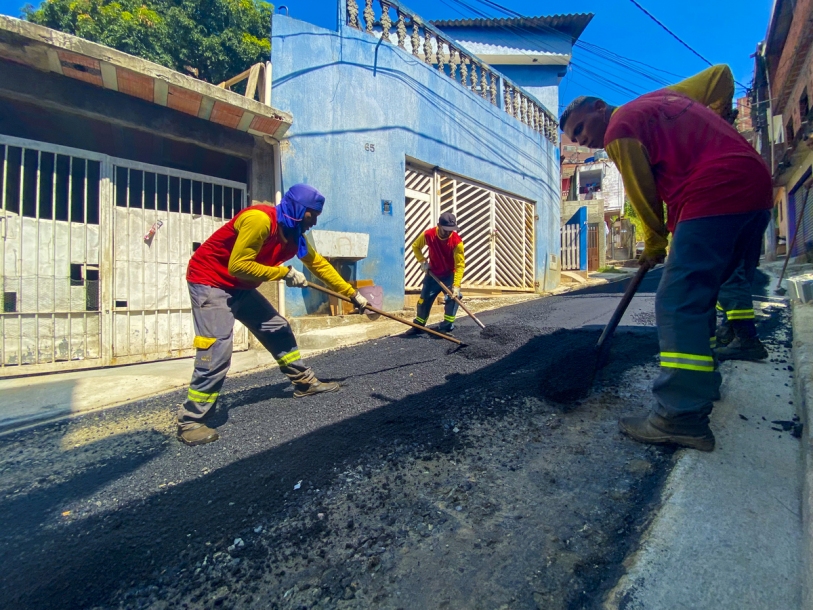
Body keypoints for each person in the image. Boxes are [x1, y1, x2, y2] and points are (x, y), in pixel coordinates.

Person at [559, 65, 772, 452]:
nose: (584, 142)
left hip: (713, 192)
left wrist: (654, 243)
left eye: (580, 130)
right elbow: (722, 76)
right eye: (576, 138)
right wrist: (721, 119)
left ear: (597, 106)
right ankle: (702, 386)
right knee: (704, 295)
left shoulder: (620, 129)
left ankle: (680, 416)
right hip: (754, 186)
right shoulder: (669, 98)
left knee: (677, 301)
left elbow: (642, 194)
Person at [178, 184, 369, 446]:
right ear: (300, 210)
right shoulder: (259, 220)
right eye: (313, 214)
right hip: (210, 281)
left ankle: (304, 382)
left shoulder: (295, 236)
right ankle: (190, 420)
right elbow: (238, 265)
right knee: (217, 348)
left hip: (239, 285)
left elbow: (320, 266)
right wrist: (283, 273)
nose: (315, 221)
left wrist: (352, 294)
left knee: (277, 327)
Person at [406, 212, 466, 335]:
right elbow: (415, 246)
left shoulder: (457, 242)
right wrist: (422, 261)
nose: (449, 233)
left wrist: (456, 286)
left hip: (449, 275)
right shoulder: (428, 234)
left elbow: (460, 265)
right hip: (433, 274)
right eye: (446, 230)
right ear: (438, 225)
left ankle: (446, 326)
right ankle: (419, 324)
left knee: (454, 298)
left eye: (451, 230)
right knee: (424, 299)